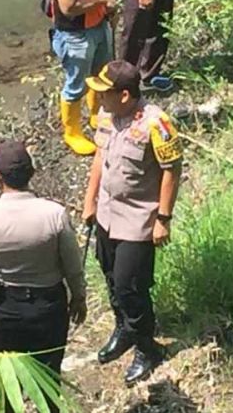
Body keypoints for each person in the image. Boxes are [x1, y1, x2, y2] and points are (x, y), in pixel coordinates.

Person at [0, 140, 87, 412]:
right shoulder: (54, 214)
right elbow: (72, 266)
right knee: (49, 380)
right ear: (31, 173)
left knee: (8, 387)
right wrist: (79, 297)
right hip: (49, 308)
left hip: (7, 310)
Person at [81, 60, 183, 385]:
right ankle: (123, 329)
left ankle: (146, 347)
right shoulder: (107, 117)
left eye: (104, 93)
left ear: (124, 95)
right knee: (110, 275)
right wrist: (89, 201)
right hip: (108, 215)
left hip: (139, 219)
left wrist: (163, 218)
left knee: (131, 286)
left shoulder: (157, 123)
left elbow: (172, 169)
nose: (98, 99)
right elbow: (100, 157)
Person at [48, 0, 125, 156]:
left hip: (99, 24)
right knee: (76, 83)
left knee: (101, 71)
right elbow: (67, 7)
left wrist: (109, 4)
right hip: (75, 34)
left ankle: (96, 114)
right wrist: (101, 0)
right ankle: (72, 133)